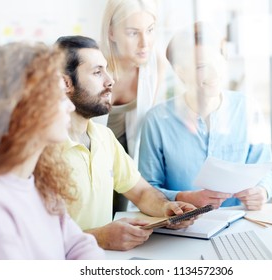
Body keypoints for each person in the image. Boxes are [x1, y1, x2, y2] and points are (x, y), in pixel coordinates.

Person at [0, 42, 104, 259]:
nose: (71, 106)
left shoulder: (40, 182)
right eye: (58, 97)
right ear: (21, 107)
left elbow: (80, 246)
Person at [55, 35, 196, 251]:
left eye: (106, 70)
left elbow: (140, 192)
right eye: (97, 72)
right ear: (66, 83)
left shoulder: (104, 138)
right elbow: (33, 238)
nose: (110, 80)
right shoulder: (39, 151)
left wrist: (168, 208)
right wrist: (99, 238)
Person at [139, 22, 272, 211]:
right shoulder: (156, 120)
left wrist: (263, 191)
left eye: (218, 61)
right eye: (202, 66)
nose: (215, 73)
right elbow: (146, 189)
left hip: (238, 222)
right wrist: (183, 197)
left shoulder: (248, 108)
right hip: (182, 226)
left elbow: (265, 172)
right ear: (181, 71)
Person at [100, 0, 166, 213]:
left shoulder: (155, 66)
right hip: (89, 156)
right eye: (133, 33)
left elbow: (148, 124)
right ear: (111, 33)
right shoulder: (94, 64)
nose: (144, 43)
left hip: (126, 156)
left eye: (150, 30)